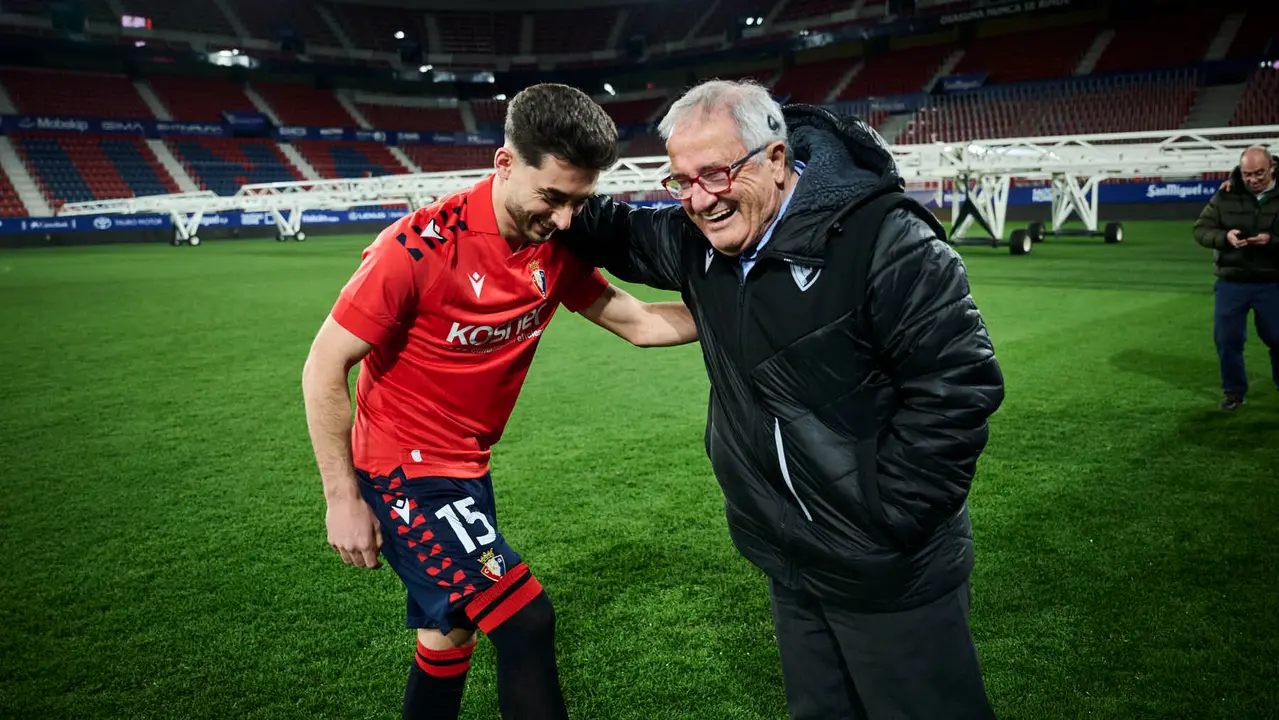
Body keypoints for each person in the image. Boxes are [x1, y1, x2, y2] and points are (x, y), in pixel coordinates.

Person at [561, 79, 1005, 719]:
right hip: (790, 558)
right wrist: (515, 193)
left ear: (775, 160)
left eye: (714, 173)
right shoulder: (700, 242)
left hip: (888, 568)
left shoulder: (884, 237)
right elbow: (607, 229)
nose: (699, 199)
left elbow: (959, 385)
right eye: (680, 180)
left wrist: (891, 517)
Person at [301, 83, 698, 720]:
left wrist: (743, 308)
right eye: (553, 197)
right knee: (525, 620)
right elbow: (324, 365)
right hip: (405, 470)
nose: (567, 219)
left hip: (467, 468)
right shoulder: (416, 249)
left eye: (579, 201)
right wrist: (342, 498)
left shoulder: (555, 246)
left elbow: (641, 322)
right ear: (504, 163)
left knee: (449, 632)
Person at [1194, 145, 1279, 411]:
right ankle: (1234, 393)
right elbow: (1201, 230)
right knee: (1226, 340)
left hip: (1272, 280)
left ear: (1272, 168)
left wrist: (1272, 241)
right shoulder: (1225, 195)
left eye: (1259, 173)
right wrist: (1224, 238)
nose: (1252, 180)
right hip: (1232, 281)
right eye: (1247, 174)